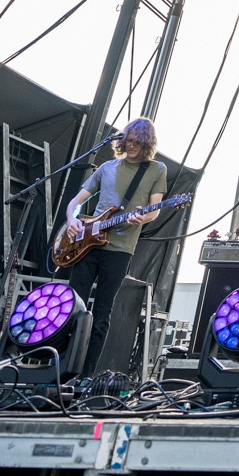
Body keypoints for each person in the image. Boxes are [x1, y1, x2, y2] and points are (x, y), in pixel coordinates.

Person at [63, 118, 168, 375]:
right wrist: (71, 219)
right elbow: (76, 201)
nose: (131, 145)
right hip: (86, 245)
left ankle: (85, 376)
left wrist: (142, 217)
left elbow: (154, 210)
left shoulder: (156, 170)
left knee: (101, 312)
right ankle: (62, 367)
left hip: (120, 249)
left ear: (147, 144)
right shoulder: (107, 167)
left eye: (137, 142)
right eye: (128, 140)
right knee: (71, 307)